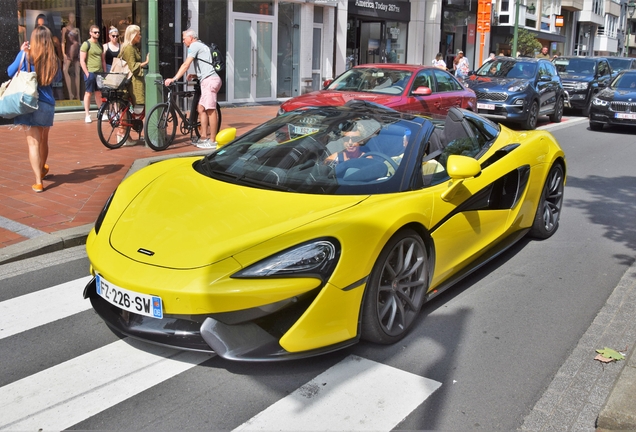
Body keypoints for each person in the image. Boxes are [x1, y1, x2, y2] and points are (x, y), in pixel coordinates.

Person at [7, 26, 60, 193]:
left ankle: (38, 181)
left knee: (33, 143)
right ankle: (42, 170)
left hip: (29, 103)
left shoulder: (25, 54)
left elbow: (10, 72)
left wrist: (21, 52)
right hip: (47, 104)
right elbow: (57, 79)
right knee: (43, 140)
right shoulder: (53, 59)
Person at [164, 29, 222, 149]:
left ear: (191, 38)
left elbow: (186, 65)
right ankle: (203, 137)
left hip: (209, 81)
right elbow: (206, 65)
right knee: (201, 108)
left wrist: (174, 78)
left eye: (184, 38)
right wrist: (196, 75)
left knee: (211, 110)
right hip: (210, 79)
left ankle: (212, 141)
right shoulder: (202, 45)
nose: (183, 41)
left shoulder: (194, 46)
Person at [116, 24, 149, 146]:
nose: (140, 36)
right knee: (137, 107)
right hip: (132, 83)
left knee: (126, 109)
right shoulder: (129, 48)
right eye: (138, 34)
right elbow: (133, 66)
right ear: (133, 35)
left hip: (129, 83)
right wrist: (145, 62)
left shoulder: (129, 47)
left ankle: (125, 135)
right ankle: (122, 132)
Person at [79, 25, 105, 123]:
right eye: (95, 32)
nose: (97, 34)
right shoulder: (86, 44)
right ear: (90, 33)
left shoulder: (100, 45)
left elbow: (103, 60)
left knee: (98, 93)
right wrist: (87, 73)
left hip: (99, 72)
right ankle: (87, 114)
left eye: (98, 32)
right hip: (90, 72)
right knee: (88, 93)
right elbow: (82, 60)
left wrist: (104, 72)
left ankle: (101, 113)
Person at [61, 12, 80, 100]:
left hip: (76, 52)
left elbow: (79, 42)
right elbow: (62, 42)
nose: (72, 19)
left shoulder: (77, 30)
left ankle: (78, 95)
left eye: (73, 17)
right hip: (68, 51)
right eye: (70, 17)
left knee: (77, 72)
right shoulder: (65, 29)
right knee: (65, 70)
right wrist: (63, 53)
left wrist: (80, 53)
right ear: (68, 18)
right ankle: (70, 93)